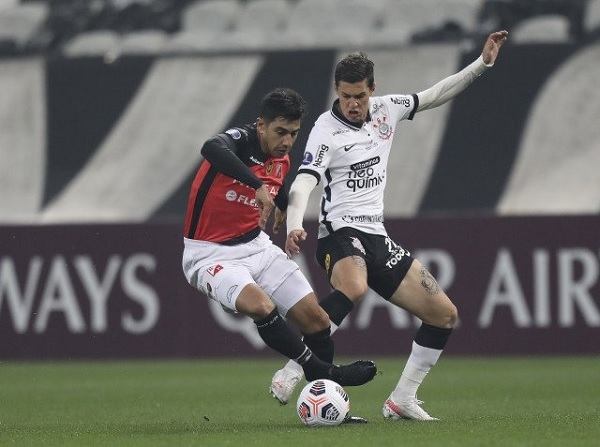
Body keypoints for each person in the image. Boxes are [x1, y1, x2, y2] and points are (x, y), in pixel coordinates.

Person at [269, 31, 509, 421]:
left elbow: (435, 94)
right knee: (354, 286)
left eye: (359, 95)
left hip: (377, 238)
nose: (352, 103)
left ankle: (402, 399)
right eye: (345, 95)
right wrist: (294, 223)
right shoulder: (324, 130)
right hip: (339, 234)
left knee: (444, 314)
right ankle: (296, 366)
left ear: (372, 90)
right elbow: (304, 181)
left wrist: (481, 64)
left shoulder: (387, 109)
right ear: (337, 90)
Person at [182, 88, 377, 395]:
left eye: (294, 134)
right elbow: (211, 147)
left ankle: (325, 404)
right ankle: (320, 370)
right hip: (209, 255)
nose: (287, 141)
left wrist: (285, 207)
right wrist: (257, 185)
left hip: (256, 247)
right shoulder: (240, 141)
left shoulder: (281, 158)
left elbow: (279, 185)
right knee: (260, 305)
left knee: (318, 321)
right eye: (280, 132)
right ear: (261, 125)